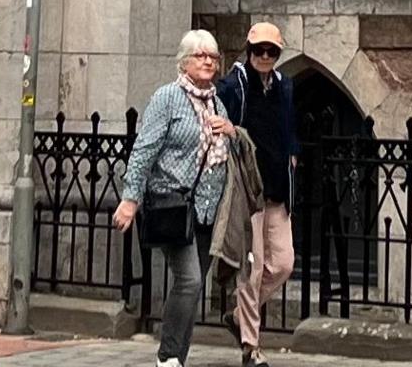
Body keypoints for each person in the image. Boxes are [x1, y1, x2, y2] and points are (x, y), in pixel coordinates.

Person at [111, 31, 237, 367]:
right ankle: (167, 357)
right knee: (190, 279)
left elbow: (227, 152)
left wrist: (230, 130)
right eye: (200, 55)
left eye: (212, 55)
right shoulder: (167, 98)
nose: (208, 60)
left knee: (193, 287)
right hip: (173, 205)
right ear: (183, 62)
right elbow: (143, 151)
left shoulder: (217, 102)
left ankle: (176, 357)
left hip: (208, 211)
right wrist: (130, 198)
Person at [214, 22, 300, 366]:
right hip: (249, 190)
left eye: (272, 51)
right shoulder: (235, 84)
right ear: (249, 52)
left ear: (278, 54)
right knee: (252, 269)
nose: (265, 57)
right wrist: (229, 129)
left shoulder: (286, 85)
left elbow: (290, 126)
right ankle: (251, 346)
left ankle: (238, 316)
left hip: (278, 190)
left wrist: (293, 153)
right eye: (259, 51)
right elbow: (218, 110)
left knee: (282, 264)